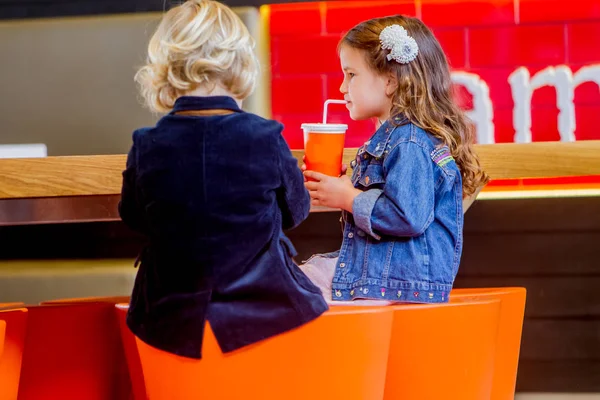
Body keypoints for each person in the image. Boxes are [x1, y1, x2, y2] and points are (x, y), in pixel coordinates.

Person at [119, 0, 327, 359]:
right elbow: (296, 211)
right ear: (241, 64)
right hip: (267, 308)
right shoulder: (266, 136)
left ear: (165, 68)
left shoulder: (146, 143)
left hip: (168, 317)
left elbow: (134, 217)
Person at [300, 15, 489, 304]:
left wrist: (349, 197)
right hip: (392, 276)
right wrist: (343, 187)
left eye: (351, 74)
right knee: (298, 279)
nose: (341, 88)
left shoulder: (408, 140)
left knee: (293, 285)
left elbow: (406, 215)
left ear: (390, 81)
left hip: (393, 282)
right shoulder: (404, 137)